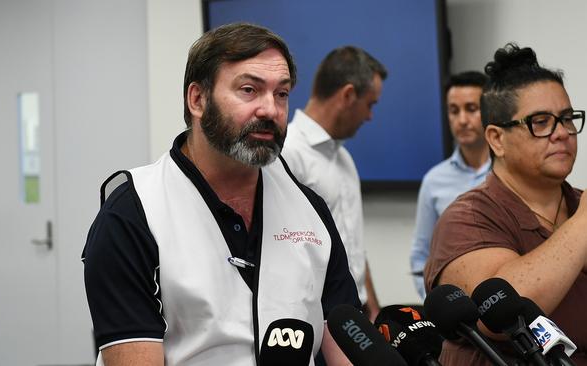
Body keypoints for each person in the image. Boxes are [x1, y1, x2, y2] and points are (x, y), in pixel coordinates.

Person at [82, 22, 361, 366]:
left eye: (282, 93)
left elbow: (347, 347)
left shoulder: (310, 210)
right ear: (197, 99)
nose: (270, 110)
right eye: (249, 90)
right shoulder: (132, 215)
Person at [424, 43, 587, 365]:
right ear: (497, 139)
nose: (562, 133)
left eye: (567, 118)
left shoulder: (577, 204)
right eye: (540, 122)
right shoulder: (467, 217)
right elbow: (503, 313)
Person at [281, 46, 386, 321]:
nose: (370, 116)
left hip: (356, 314)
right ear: (348, 95)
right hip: (317, 319)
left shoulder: (344, 158)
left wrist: (373, 309)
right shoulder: (287, 153)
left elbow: (352, 242)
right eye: (370, 104)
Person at [410, 71, 491, 299]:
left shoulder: (511, 173)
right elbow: (421, 255)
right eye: (454, 111)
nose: (462, 120)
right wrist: (437, 304)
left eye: (471, 109)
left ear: (490, 110)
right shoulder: (434, 180)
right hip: (457, 311)